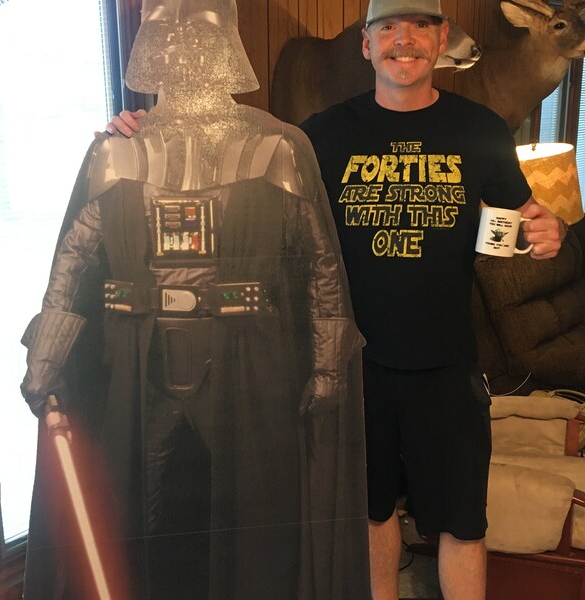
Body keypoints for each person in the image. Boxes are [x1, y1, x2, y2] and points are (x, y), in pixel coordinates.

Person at [105, 1, 566, 598]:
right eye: (388, 27)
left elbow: (524, 212)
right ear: (366, 46)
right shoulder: (320, 135)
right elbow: (229, 166)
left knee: (462, 523)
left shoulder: (480, 129)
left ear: (442, 39)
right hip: (353, 367)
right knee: (369, 516)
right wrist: (146, 132)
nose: (404, 39)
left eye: (421, 25)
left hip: (448, 366)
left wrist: (547, 228)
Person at [20, 1, 371, 598]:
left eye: (199, 41)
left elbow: (320, 265)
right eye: (170, 38)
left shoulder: (278, 146)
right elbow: (74, 258)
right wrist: (46, 357)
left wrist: (327, 364)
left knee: (252, 525)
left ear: (224, 47)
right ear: (151, 49)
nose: (185, 54)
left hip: (251, 364)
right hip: (136, 362)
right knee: (137, 525)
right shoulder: (117, 148)